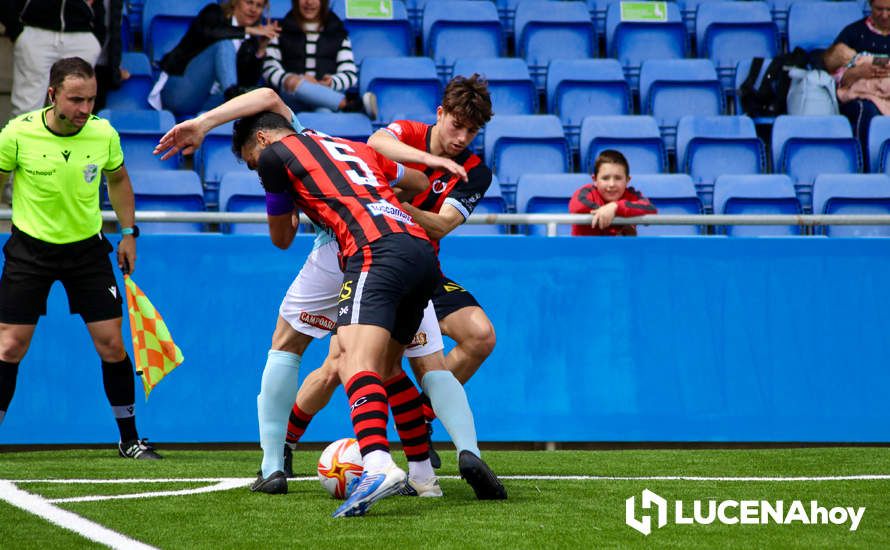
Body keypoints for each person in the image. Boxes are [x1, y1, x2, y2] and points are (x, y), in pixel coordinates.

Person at [154, 88, 504, 501]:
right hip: (410, 242)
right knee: (419, 364)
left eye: (251, 162)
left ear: (263, 141)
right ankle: (442, 466)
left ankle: (281, 463)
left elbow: (281, 237)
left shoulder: (278, 155)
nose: (256, 169)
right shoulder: (346, 144)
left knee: (313, 351)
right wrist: (389, 194)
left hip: (352, 249)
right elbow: (413, 178)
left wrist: (204, 126)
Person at [0, 57, 160, 460]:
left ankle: (129, 440)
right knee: (9, 347)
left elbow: (119, 179)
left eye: (90, 100)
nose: (84, 109)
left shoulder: (103, 133)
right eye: (75, 100)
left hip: (87, 251)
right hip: (29, 250)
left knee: (111, 345)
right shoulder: (16, 134)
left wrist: (128, 234)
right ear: (52, 94)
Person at [148, 0, 280, 115]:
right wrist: (247, 30)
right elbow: (209, 33)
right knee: (224, 44)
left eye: (259, 5)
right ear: (235, 1)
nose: (253, 9)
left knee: (257, 104)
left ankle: (234, 102)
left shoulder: (251, 42)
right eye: (249, 2)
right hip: (179, 92)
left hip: (211, 102)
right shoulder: (214, 13)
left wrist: (260, 50)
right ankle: (233, 100)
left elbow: (246, 83)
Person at [262, 0, 371, 114]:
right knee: (295, 83)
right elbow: (269, 69)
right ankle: (347, 105)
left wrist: (331, 82)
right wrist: (292, 79)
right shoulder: (280, 31)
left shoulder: (338, 33)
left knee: (324, 111)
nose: (309, 2)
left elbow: (350, 74)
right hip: (291, 98)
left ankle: (340, 104)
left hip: (326, 96)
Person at [9, 0, 105, 117]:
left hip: (81, 34)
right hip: (35, 32)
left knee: (73, 110)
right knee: (26, 110)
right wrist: (15, 28)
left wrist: (97, 36)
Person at [823, 0, 890, 156]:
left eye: (889, 9)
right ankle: (866, 164)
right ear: (870, 5)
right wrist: (857, 72)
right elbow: (834, 67)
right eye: (879, 9)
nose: (885, 15)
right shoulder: (853, 33)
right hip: (864, 96)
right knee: (866, 110)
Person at [569, 149, 657, 237]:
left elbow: (651, 209)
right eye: (605, 178)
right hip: (585, 249)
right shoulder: (587, 192)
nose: (612, 184)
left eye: (618, 178)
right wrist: (607, 212)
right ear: (595, 180)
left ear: (627, 180)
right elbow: (577, 207)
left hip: (619, 250)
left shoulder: (631, 195)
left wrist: (615, 207)